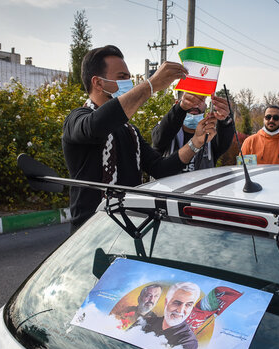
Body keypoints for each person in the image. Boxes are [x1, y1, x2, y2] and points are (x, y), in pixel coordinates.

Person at [62, 45, 217, 232]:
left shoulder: (130, 131)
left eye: (129, 77)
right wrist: (150, 85)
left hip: (129, 229)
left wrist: (196, 142)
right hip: (91, 234)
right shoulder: (77, 119)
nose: (129, 83)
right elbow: (96, 126)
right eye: (122, 77)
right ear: (98, 82)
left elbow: (160, 168)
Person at [152, 93, 234, 171]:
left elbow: (224, 141)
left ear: (206, 106)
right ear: (178, 103)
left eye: (201, 100)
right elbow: (158, 139)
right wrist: (179, 109)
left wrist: (226, 118)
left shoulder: (211, 133)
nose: (195, 104)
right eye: (190, 98)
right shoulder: (165, 127)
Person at [140, 281, 200, 349]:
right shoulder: (146, 322)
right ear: (166, 302)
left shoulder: (188, 342)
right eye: (177, 303)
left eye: (188, 305)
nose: (180, 310)